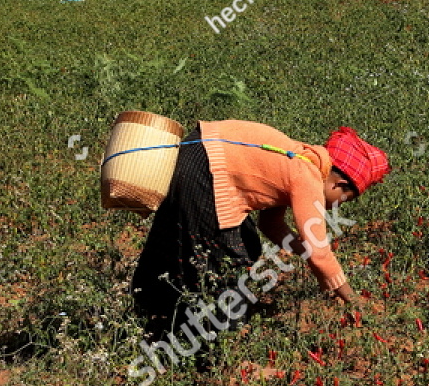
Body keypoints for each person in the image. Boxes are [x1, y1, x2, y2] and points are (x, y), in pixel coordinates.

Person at [130, 120, 389, 334]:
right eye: (344, 200)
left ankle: (146, 305)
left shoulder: (298, 160)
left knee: (189, 236)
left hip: (196, 151)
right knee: (223, 256)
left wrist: (305, 255)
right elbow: (320, 251)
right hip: (208, 168)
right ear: (338, 184)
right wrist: (349, 297)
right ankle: (206, 335)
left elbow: (271, 225)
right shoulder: (308, 177)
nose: (336, 207)